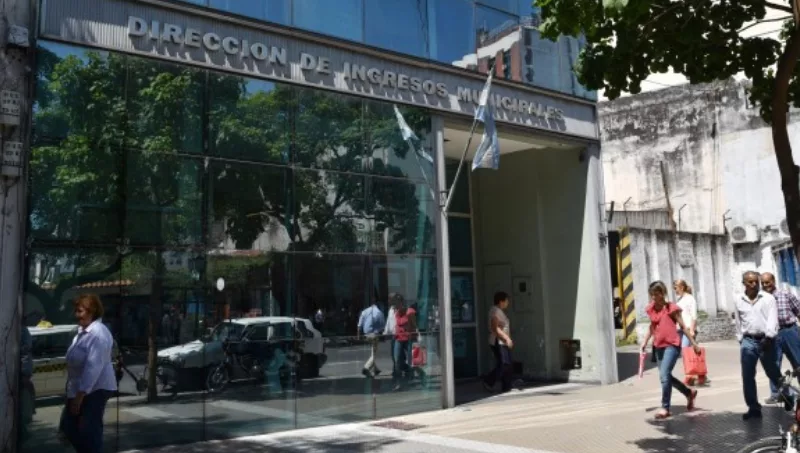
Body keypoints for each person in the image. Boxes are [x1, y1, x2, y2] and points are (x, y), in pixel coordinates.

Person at [735, 271, 795, 420]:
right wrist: (741, 339)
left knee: (773, 372)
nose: (754, 284)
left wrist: (768, 338)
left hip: (766, 340)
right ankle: (753, 408)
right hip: (748, 341)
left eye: (756, 281)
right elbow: (738, 321)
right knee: (747, 375)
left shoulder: (768, 299)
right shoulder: (738, 299)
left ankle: (788, 395)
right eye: (750, 282)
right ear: (744, 283)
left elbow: (772, 320)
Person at [63, 293, 118, 453]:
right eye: (76, 311)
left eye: (80, 311)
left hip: (94, 389)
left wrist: (80, 396)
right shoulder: (82, 332)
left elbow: (93, 367)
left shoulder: (98, 334)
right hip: (78, 388)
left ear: (91, 311)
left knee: (89, 431)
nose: (77, 315)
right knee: (69, 428)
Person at [639, 281, 700, 419]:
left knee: (664, 375)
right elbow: (652, 326)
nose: (654, 297)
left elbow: (683, 326)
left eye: (656, 294)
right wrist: (645, 341)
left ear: (663, 293)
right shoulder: (651, 309)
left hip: (672, 345)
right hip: (658, 346)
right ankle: (688, 393)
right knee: (665, 376)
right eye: (652, 295)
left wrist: (694, 343)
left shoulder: (671, 308)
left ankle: (665, 407)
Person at [760, 272, 800, 405]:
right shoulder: (761, 299)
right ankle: (778, 394)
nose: (765, 285)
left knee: (798, 362)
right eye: (763, 283)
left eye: (767, 282)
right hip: (771, 335)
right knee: (773, 364)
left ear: (773, 281)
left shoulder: (786, 294)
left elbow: (798, 311)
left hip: (789, 331)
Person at [673, 280, 708, 386]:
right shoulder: (679, 299)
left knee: (685, 351)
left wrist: (692, 330)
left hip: (688, 329)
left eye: (675, 288)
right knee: (690, 352)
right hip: (680, 329)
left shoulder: (690, 299)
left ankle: (690, 375)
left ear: (682, 287)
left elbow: (694, 316)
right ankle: (700, 374)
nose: (675, 290)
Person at [483, 291, 514, 393]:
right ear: (501, 301)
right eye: (506, 300)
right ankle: (488, 381)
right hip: (498, 341)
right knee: (504, 364)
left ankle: (507, 386)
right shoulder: (495, 311)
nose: (507, 303)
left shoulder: (499, 311)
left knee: (507, 364)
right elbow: (495, 328)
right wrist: (506, 339)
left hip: (502, 341)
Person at [391, 293, 417, 391]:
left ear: (402, 302)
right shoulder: (396, 312)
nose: (396, 306)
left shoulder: (410, 312)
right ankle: (398, 382)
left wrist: (415, 336)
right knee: (397, 360)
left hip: (408, 338)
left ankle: (412, 378)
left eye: (398, 303)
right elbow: (396, 325)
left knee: (411, 361)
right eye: (395, 304)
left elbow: (414, 325)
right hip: (398, 338)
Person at [357, 299, 385, 378]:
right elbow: (382, 326)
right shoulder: (379, 312)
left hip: (366, 334)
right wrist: (382, 334)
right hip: (374, 335)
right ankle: (366, 368)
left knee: (373, 351)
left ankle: (376, 369)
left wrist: (358, 336)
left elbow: (359, 325)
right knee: (374, 353)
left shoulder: (364, 311)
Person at [383, 300, 398, 375]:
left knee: (397, 354)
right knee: (392, 354)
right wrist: (385, 332)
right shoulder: (391, 310)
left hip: (399, 335)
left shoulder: (400, 309)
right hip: (393, 335)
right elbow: (388, 321)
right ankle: (395, 368)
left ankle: (398, 369)